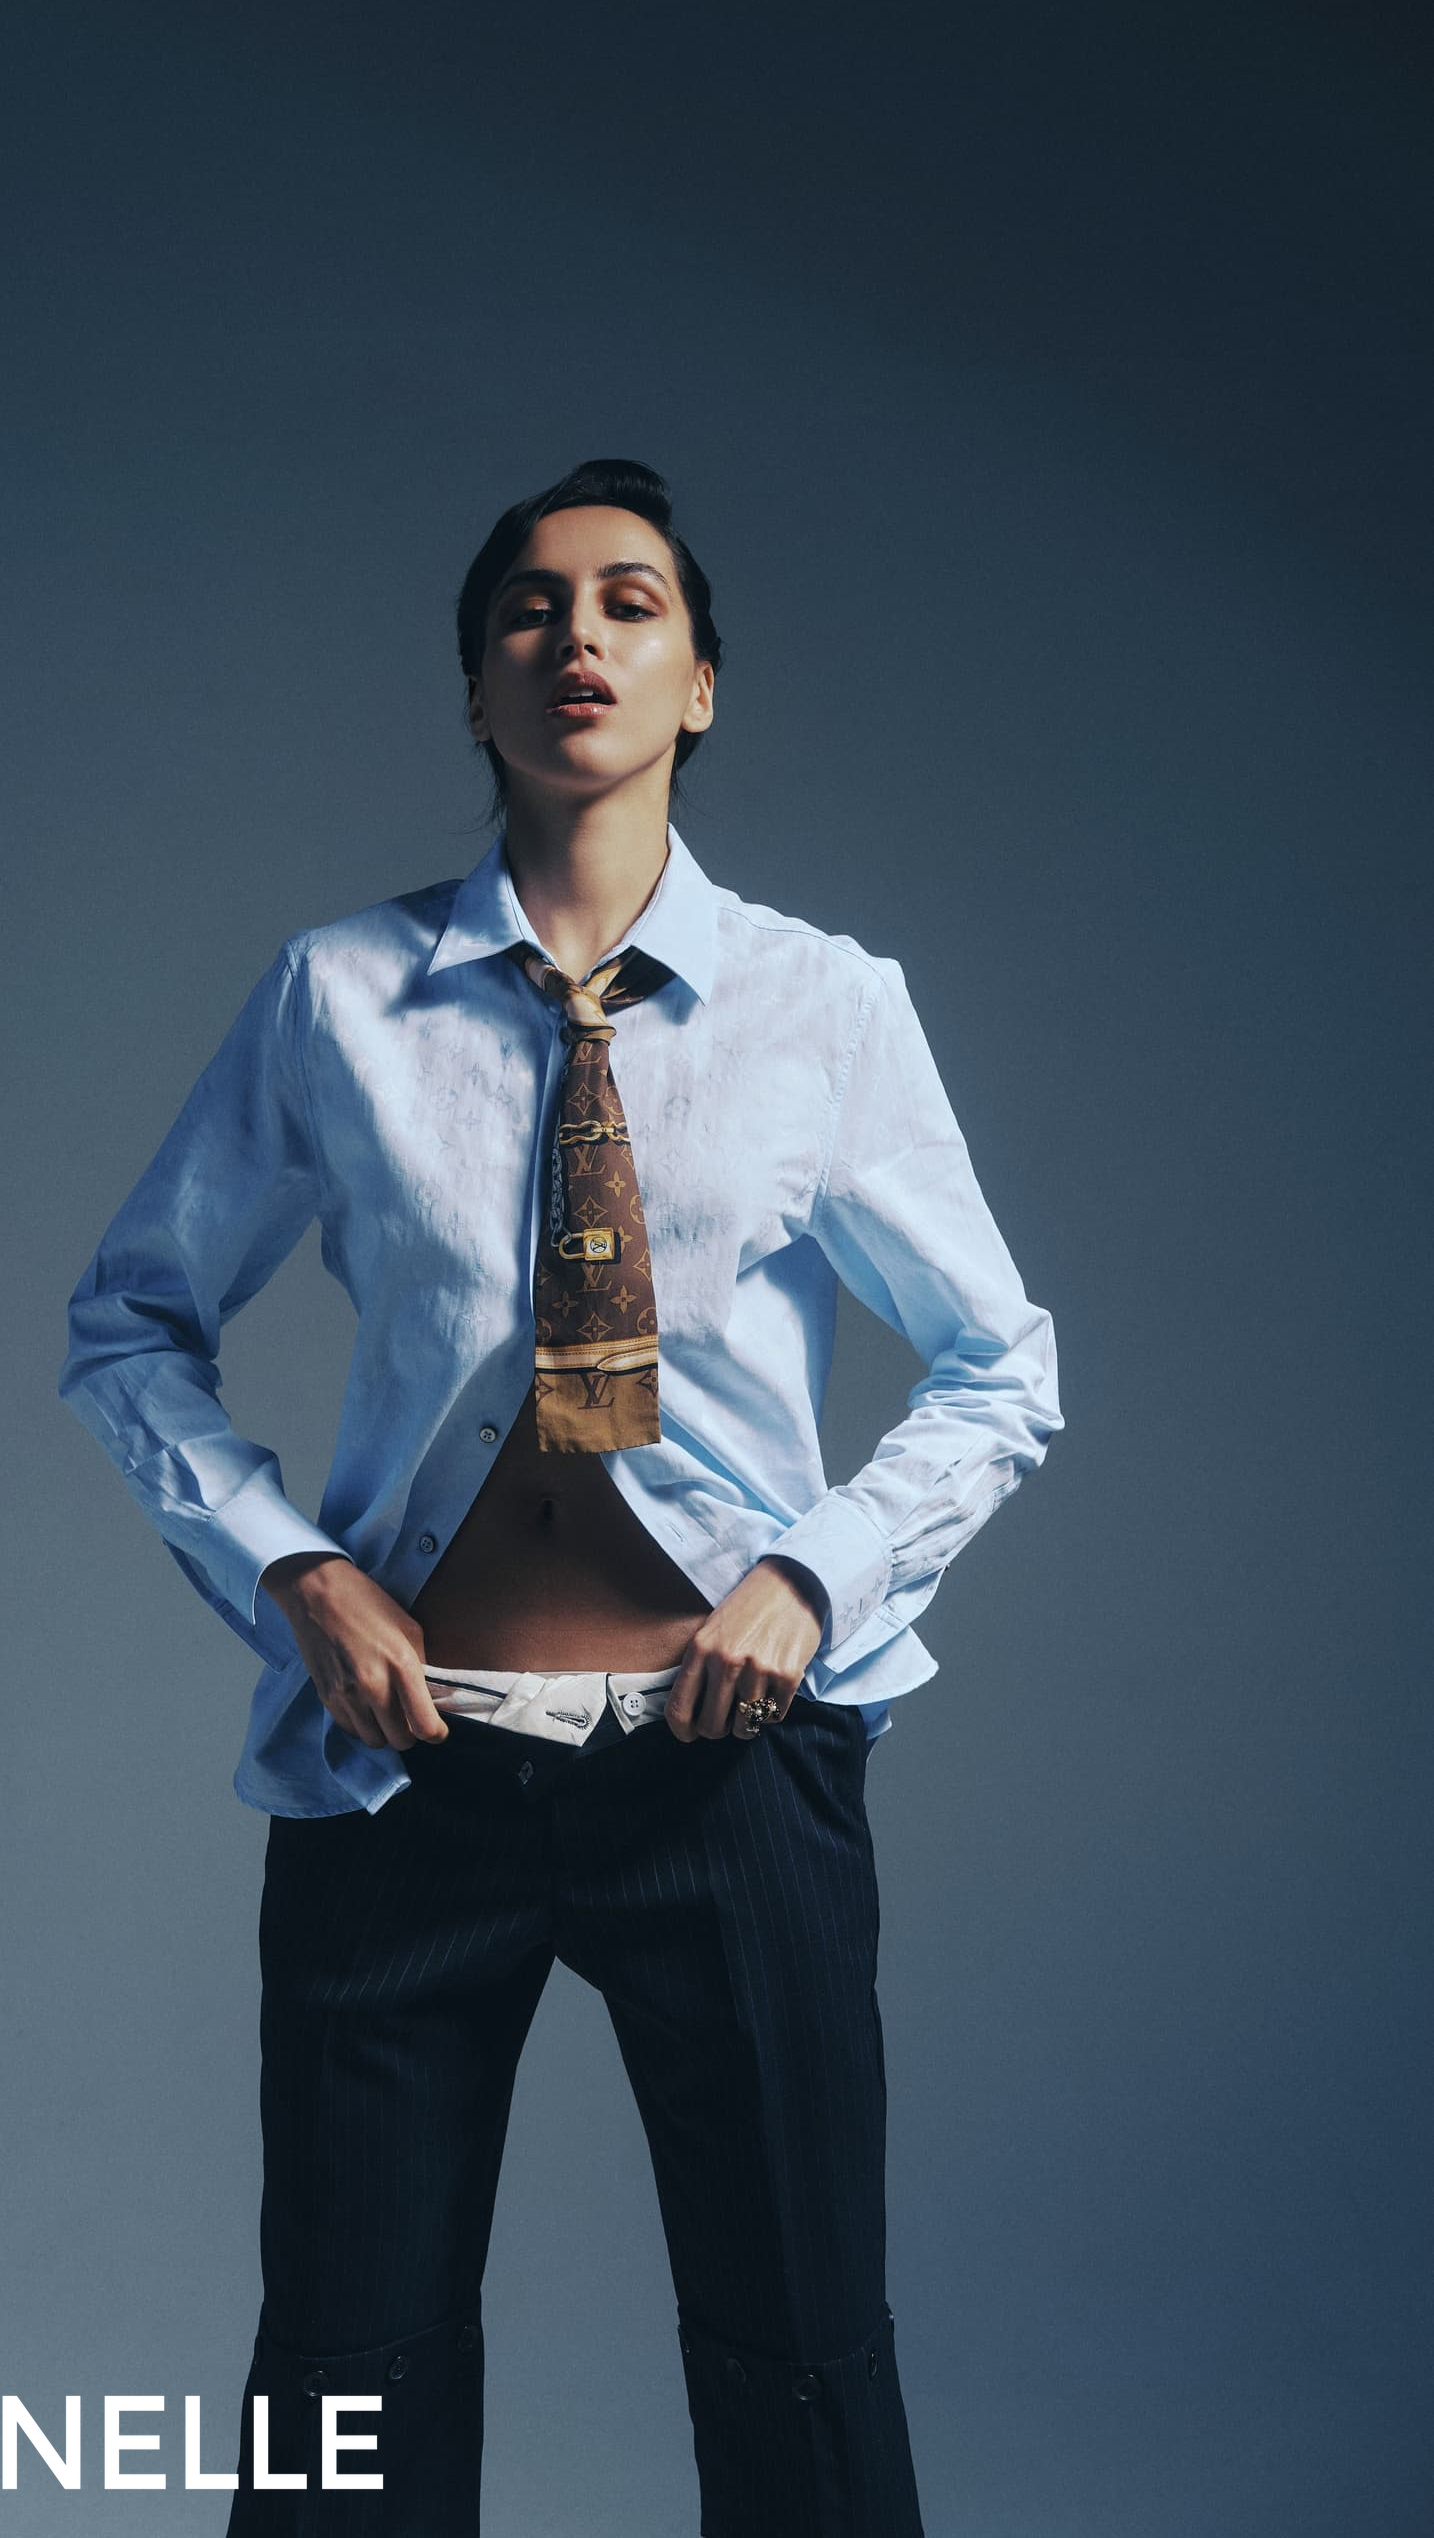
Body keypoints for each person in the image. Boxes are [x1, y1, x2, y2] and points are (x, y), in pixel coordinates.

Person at [58, 456, 1061, 2535]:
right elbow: (129, 1322)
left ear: (697, 681)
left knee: (796, 2344)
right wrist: (293, 1571)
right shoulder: (338, 996)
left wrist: (817, 1567)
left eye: (627, 603)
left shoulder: (824, 1007)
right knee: (345, 2368)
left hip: (733, 1772)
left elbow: (1001, 1356)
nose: (576, 635)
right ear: (475, 685)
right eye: (528, 606)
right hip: (403, 1772)